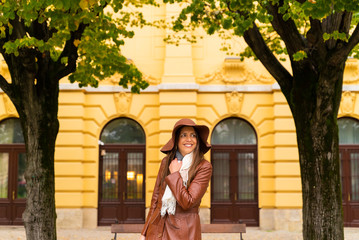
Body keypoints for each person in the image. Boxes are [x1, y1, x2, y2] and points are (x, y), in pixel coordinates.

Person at [140, 118, 213, 240]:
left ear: (198, 140)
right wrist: (145, 231)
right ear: (176, 140)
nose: (189, 139)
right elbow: (156, 199)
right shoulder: (166, 162)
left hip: (184, 231)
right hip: (158, 227)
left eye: (193, 135)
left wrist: (174, 174)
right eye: (183, 135)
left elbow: (188, 202)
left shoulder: (204, 166)